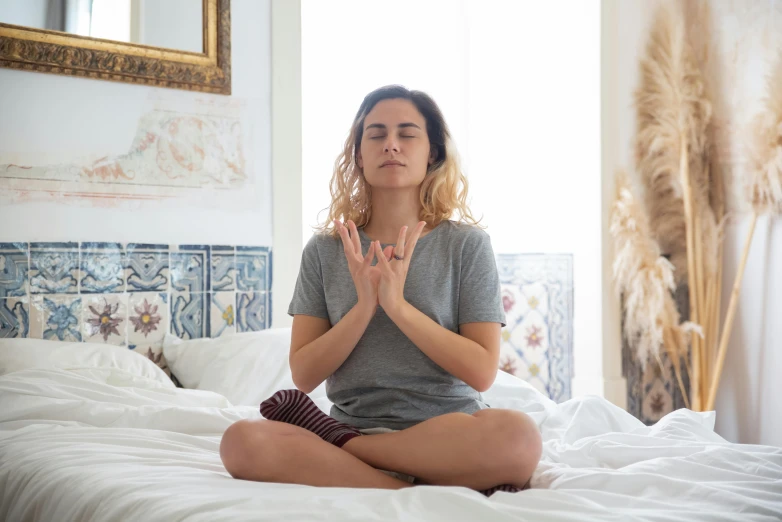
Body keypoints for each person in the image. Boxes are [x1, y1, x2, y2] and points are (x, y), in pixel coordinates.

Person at [220, 85, 542, 496]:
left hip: (447, 432)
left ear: (432, 153)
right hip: (352, 420)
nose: (391, 145)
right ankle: (402, 486)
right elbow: (303, 374)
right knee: (241, 442)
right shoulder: (324, 250)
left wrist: (398, 307)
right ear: (358, 153)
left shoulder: (466, 245)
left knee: (519, 438)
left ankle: (357, 456)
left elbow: (481, 372)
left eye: (407, 134)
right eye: (375, 135)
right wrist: (363, 308)